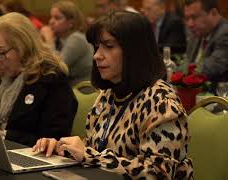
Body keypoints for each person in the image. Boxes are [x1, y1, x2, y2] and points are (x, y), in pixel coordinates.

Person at [33, 11, 193, 179]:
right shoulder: (109, 94)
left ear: (135, 52)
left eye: (109, 46)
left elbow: (158, 173)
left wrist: (90, 156)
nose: (96, 55)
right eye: (97, 47)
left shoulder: (162, 103)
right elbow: (96, 146)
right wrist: (62, 148)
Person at [0, 12, 78, 146]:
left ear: (23, 46)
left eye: (1, 53)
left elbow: (53, 141)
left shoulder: (51, 79)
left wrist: (5, 135)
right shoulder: (5, 77)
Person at [42, 0, 93, 86]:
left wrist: (49, 41)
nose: (51, 22)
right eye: (51, 17)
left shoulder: (77, 39)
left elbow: (57, 68)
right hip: (71, 89)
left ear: (71, 23)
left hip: (84, 91)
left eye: (57, 18)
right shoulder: (60, 39)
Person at [184, 0, 228, 82]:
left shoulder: (225, 32)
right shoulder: (197, 34)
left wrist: (180, 71)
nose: (190, 24)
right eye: (187, 18)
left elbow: (212, 67)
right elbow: (187, 62)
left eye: (194, 17)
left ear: (213, 13)